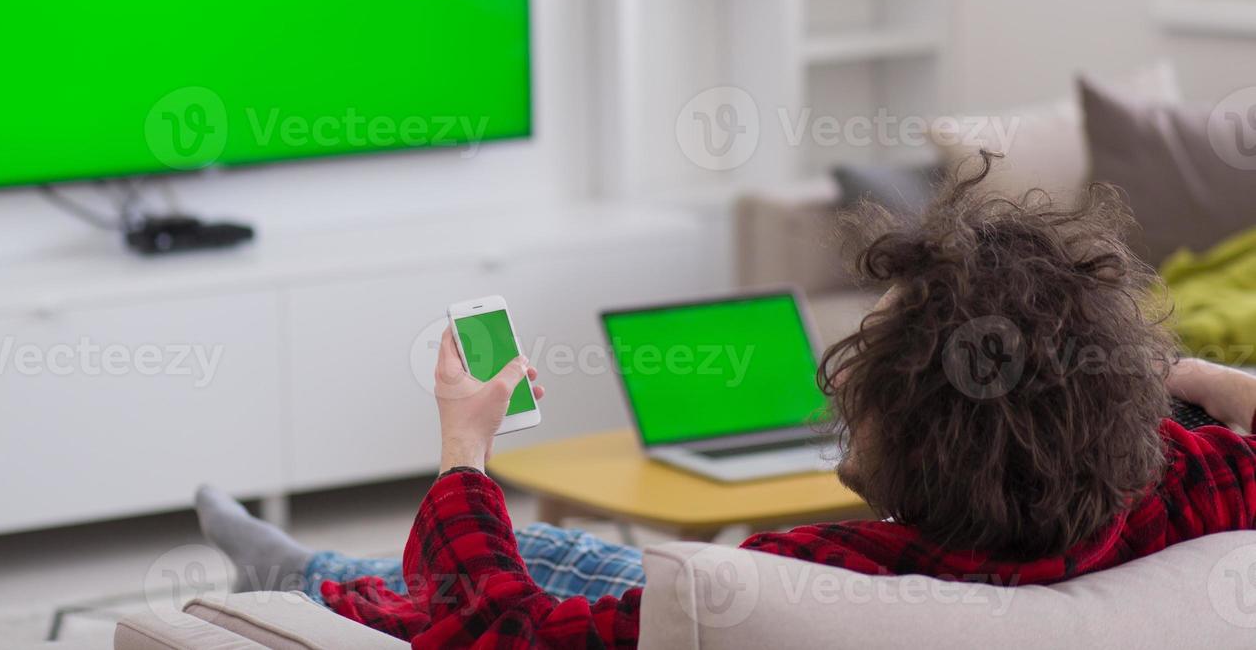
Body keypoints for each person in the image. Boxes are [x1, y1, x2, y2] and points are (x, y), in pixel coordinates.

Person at [196, 156, 1256, 648]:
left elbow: (505, 627)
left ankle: (310, 581)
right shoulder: (1178, 489)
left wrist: (463, 450)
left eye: (866, 371)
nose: (840, 382)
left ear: (922, 439)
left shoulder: (807, 580)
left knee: (530, 565)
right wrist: (1208, 381)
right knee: (577, 553)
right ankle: (313, 567)